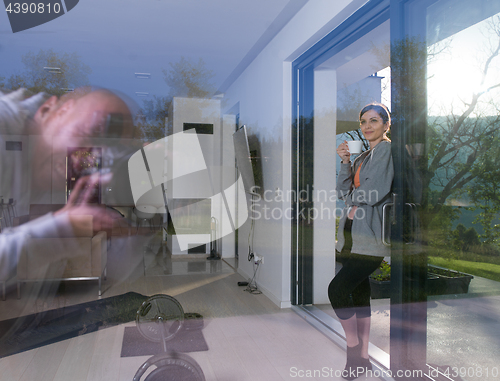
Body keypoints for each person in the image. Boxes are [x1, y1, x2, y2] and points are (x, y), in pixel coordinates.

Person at [0, 87, 134, 296]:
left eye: (103, 153)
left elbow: (113, 270)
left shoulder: (56, 173)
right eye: (89, 133)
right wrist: (64, 229)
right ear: (48, 109)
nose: (86, 158)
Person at [328, 102, 394, 380]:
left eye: (374, 121)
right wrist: (345, 161)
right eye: (364, 121)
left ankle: (353, 351)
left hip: (370, 239)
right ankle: (362, 360)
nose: (368, 126)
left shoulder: (387, 151)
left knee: (336, 290)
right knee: (358, 295)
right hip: (352, 237)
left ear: (386, 125)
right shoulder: (364, 156)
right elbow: (343, 189)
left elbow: (375, 190)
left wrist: (354, 199)